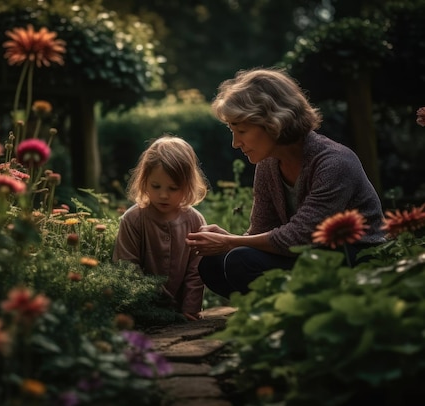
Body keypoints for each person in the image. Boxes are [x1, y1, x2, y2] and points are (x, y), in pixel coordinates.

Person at [185, 67, 386, 299]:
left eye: (240, 130)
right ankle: (279, 308)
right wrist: (227, 239)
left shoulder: (334, 162)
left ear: (273, 122)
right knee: (213, 264)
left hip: (353, 258)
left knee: (239, 260)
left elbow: (301, 236)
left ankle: (292, 311)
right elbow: (262, 230)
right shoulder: (268, 164)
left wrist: (229, 242)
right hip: (305, 256)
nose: (235, 143)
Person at [113, 135, 209, 320]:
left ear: (188, 186)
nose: (163, 195)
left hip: (181, 313)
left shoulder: (195, 221)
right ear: (144, 181)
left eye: (173, 188)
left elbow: (196, 271)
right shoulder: (133, 219)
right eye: (155, 186)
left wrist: (191, 307)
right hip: (141, 312)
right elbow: (126, 265)